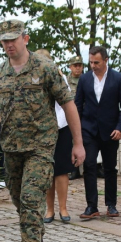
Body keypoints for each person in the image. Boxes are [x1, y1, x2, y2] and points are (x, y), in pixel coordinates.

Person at [0, 19, 85, 242]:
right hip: (11, 149)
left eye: (14, 39)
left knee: (30, 199)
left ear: (26, 38)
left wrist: (78, 143)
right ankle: (36, 239)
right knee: (20, 201)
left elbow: (68, 104)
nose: (9, 44)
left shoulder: (46, 68)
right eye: (4, 40)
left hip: (40, 147)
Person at [75, 46, 121, 219]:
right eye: (91, 62)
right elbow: (77, 105)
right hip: (89, 130)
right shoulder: (84, 80)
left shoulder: (119, 79)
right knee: (90, 166)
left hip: (110, 131)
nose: (93, 65)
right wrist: (77, 131)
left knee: (110, 168)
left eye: (96, 62)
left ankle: (111, 204)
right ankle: (91, 206)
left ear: (106, 60)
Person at [34, 49, 74, 224]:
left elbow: (66, 104)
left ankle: (63, 208)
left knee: (61, 170)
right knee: (46, 172)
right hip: (41, 130)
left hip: (61, 127)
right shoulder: (32, 78)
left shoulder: (60, 77)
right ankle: (49, 210)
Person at [66, 55, 84, 180]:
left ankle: (97, 167)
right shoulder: (65, 81)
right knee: (71, 142)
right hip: (71, 116)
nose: (77, 68)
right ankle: (74, 169)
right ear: (70, 67)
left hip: (85, 114)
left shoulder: (87, 79)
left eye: (79, 66)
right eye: (75, 66)